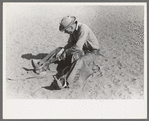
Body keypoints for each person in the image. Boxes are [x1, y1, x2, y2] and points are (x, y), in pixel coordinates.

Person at [32, 16, 100, 89]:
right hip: (81, 50)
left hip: (92, 53)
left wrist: (66, 52)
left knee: (80, 61)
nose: (65, 32)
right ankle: (42, 64)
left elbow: (77, 47)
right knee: (59, 49)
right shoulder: (73, 31)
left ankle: (64, 82)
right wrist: (63, 50)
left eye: (65, 30)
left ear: (70, 27)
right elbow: (70, 44)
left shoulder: (83, 29)